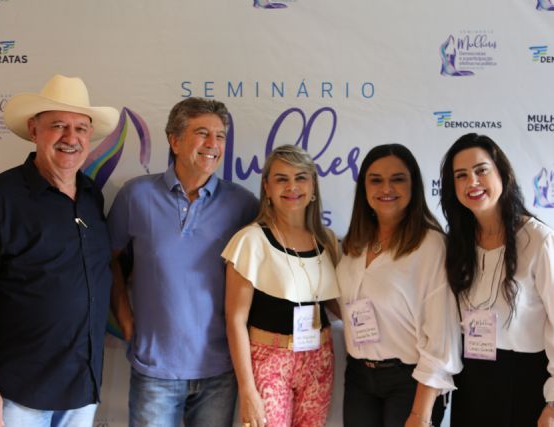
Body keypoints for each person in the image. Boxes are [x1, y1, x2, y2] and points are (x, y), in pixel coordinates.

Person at [0, 74, 119, 427]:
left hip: (81, 391)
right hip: (17, 396)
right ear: (34, 130)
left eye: (80, 128)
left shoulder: (92, 197)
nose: (70, 138)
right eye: (58, 126)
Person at [108, 97, 258, 427]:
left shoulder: (243, 205)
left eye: (220, 136)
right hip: (154, 370)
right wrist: (125, 319)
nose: (213, 144)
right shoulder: (136, 196)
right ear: (174, 141)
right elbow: (108, 259)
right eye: (202, 133)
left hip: (219, 371)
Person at [439, 133, 554, 427]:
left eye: (481, 170)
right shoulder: (458, 243)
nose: (472, 182)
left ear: (502, 174)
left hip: (524, 380)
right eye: (461, 175)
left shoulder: (540, 241)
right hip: (471, 380)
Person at [337, 144, 462, 427]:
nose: (386, 188)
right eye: (376, 180)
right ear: (364, 188)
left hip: (410, 381)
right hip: (359, 377)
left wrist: (420, 414)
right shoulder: (354, 243)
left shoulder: (431, 246)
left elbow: (441, 338)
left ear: (413, 185)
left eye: (398, 179)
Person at [223, 144, 340, 427]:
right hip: (269, 361)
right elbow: (235, 320)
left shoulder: (327, 240)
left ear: (313, 185)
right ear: (267, 187)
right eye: (281, 179)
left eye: (300, 177)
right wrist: (247, 390)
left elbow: (335, 302)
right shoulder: (250, 240)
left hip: (319, 360)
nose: (292, 187)